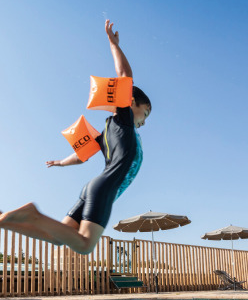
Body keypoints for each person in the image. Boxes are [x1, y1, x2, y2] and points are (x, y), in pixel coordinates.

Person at [0, 20, 151, 254]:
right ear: (131, 102)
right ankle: (33, 215)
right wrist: (113, 43)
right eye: (146, 113)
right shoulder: (123, 119)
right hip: (104, 188)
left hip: (91, 188)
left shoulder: (105, 135)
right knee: (84, 244)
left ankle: (5, 220)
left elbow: (81, 157)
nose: (145, 120)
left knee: (59, 237)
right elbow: (124, 75)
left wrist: (59, 162)